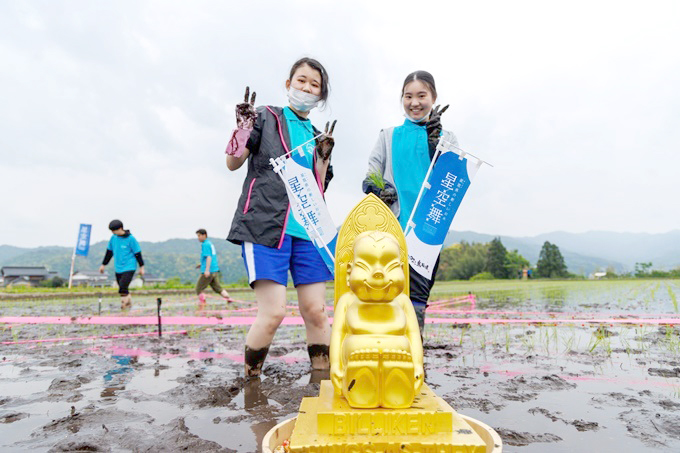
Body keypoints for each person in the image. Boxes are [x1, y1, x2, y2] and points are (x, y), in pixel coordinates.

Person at [225, 57, 338, 377]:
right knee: (273, 313)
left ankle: (322, 380)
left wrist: (324, 158)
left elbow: (318, 188)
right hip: (265, 226)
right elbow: (233, 163)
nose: (307, 88)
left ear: (321, 96)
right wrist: (242, 128)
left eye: (314, 85)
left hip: (308, 233)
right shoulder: (266, 117)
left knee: (316, 311)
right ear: (288, 84)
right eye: (301, 81)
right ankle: (251, 381)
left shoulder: (319, 136)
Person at [362, 70, 458, 334]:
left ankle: (413, 358)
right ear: (401, 99)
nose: (414, 102)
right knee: (385, 292)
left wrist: (435, 144)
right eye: (408, 96)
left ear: (434, 97)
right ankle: (383, 350)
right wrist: (376, 188)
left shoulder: (447, 138)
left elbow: (451, 180)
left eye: (422, 95)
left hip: (427, 232)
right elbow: (371, 174)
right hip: (390, 229)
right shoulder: (388, 135)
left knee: (417, 299)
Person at [99, 219, 145, 310]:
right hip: (118, 267)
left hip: (129, 266)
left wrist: (141, 267)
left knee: (123, 288)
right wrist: (103, 265)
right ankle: (128, 305)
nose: (112, 232)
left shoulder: (131, 239)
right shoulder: (113, 238)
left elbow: (137, 253)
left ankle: (124, 307)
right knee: (123, 289)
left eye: (114, 230)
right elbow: (109, 252)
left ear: (120, 228)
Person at [195, 228, 232, 307]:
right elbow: (209, 257)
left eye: (199, 236)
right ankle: (229, 299)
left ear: (204, 235)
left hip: (209, 270)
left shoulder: (205, 244)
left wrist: (207, 270)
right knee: (217, 288)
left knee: (198, 289)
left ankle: (203, 303)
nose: (198, 238)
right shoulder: (209, 243)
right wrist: (201, 264)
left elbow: (209, 257)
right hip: (214, 270)